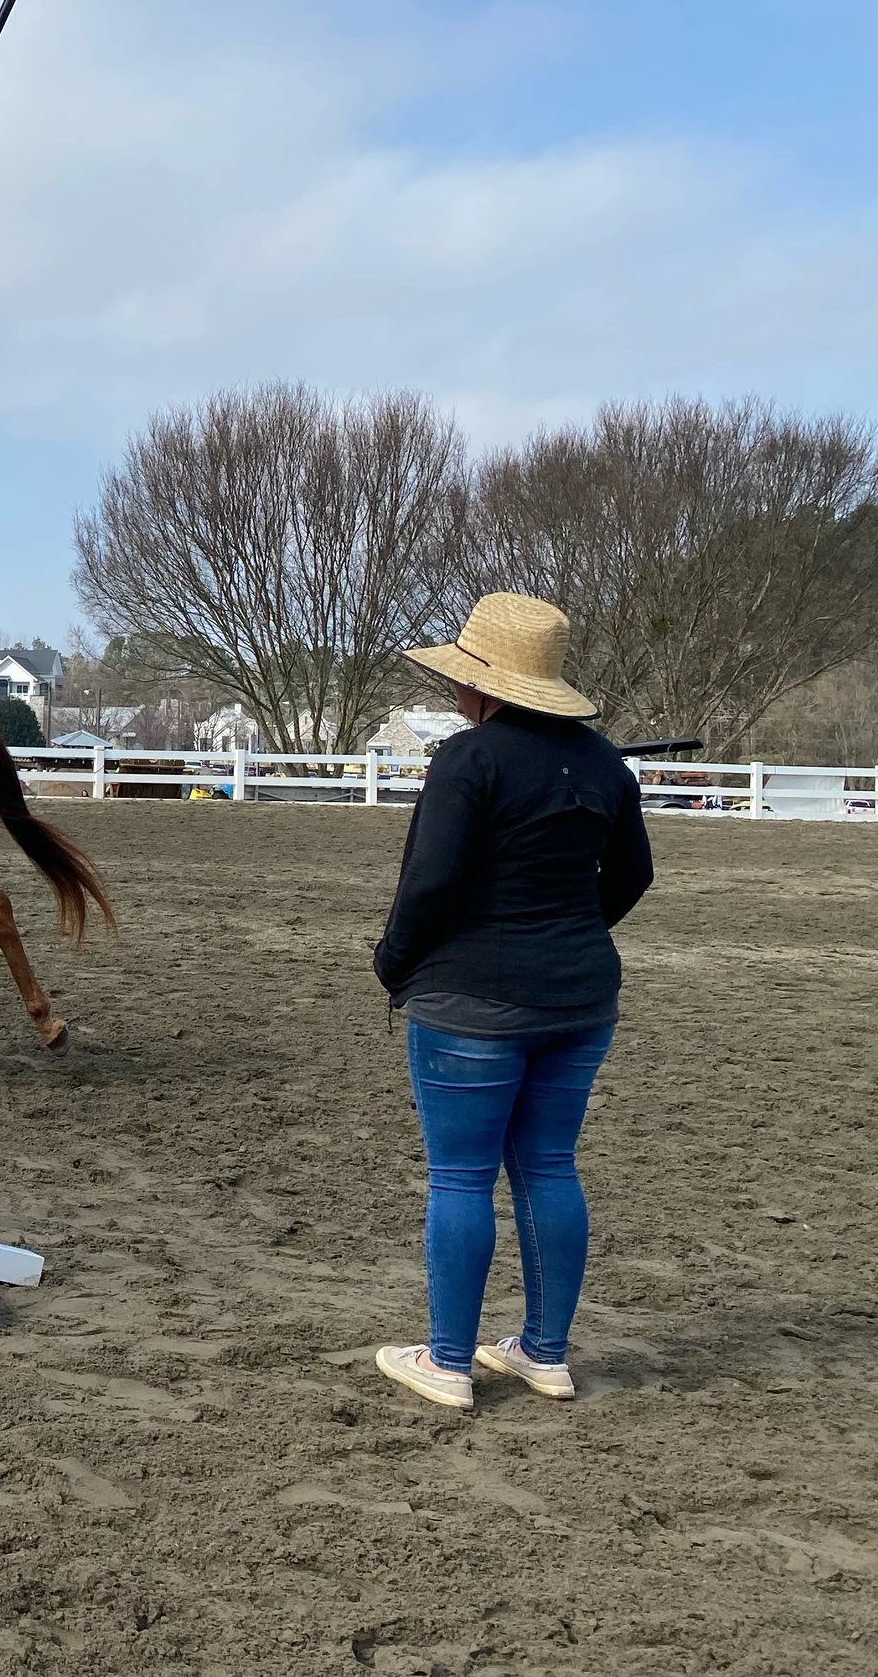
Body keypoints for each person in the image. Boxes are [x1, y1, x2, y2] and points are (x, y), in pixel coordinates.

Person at [370, 592, 654, 1411]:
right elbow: (633, 876)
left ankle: (448, 1360)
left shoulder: (469, 759)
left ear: (485, 684)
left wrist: (393, 964)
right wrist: (566, 932)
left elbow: (428, 881)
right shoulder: (605, 763)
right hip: (579, 997)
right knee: (549, 1167)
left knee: (459, 1177)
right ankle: (543, 1351)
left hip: (470, 1002)